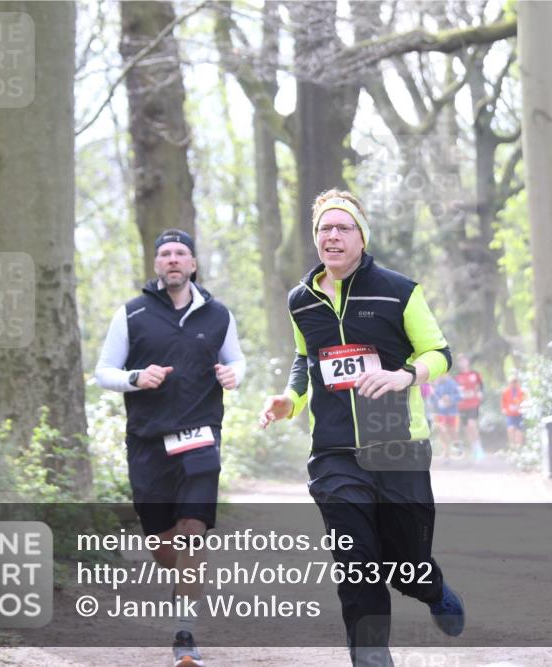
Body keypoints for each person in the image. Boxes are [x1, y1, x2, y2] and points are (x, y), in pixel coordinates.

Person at [258, 189, 464, 666]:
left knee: (406, 563)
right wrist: (289, 400)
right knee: (357, 565)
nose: (332, 235)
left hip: (398, 445)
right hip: (334, 453)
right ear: (316, 239)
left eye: (342, 227)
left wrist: (403, 374)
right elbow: (304, 359)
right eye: (324, 229)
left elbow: (440, 353)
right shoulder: (300, 301)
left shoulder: (399, 290)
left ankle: (431, 588)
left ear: (360, 236)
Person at [95, 229, 245, 667]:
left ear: (193, 263)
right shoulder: (132, 314)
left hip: (200, 437)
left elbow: (236, 358)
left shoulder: (217, 314)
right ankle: (184, 580)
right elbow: (104, 371)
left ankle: (185, 637)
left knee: (192, 533)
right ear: (156, 264)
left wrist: (236, 375)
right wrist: (136, 377)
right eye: (165, 254)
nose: (173, 259)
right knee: (163, 543)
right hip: (147, 441)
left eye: (181, 253)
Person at [454, 354, 484, 462]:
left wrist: (480, 393)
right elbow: (455, 392)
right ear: (458, 364)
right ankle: (473, 448)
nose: (463, 362)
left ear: (468, 361)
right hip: (462, 406)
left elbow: (481, 386)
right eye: (460, 361)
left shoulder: (475, 374)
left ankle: (479, 448)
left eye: (464, 360)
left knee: (472, 424)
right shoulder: (457, 377)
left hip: (473, 404)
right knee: (467, 428)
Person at [430, 374, 462, 460]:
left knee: (453, 431)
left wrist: (450, 399)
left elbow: (460, 396)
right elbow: (433, 398)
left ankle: (458, 450)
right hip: (440, 413)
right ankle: (446, 452)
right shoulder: (436, 384)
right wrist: (436, 400)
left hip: (452, 412)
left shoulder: (453, 383)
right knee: (442, 431)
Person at [501, 375, 526, 450]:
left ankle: (519, 446)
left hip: (519, 414)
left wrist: (521, 406)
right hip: (510, 414)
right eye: (512, 382)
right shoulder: (506, 392)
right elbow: (503, 402)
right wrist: (504, 409)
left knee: (519, 431)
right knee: (510, 429)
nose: (513, 384)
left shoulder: (521, 392)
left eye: (515, 382)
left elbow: (524, 401)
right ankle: (512, 445)